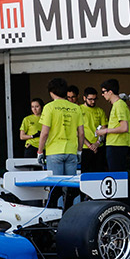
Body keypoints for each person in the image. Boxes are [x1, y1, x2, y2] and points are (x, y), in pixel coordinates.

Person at [36, 77, 83, 208]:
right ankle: (70, 214)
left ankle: (54, 216)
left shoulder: (49, 107)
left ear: (51, 91)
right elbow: (81, 133)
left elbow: (44, 133)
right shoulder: (76, 108)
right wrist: (79, 150)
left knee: (55, 187)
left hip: (54, 152)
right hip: (72, 151)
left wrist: (40, 151)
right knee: (70, 188)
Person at [98, 79, 130, 185]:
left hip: (117, 145)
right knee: (117, 177)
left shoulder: (119, 105)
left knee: (117, 177)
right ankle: (120, 200)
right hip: (115, 144)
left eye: (103, 91)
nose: (102, 94)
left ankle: (120, 201)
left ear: (110, 92)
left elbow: (124, 127)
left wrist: (105, 131)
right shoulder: (117, 105)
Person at [77, 87, 105, 173]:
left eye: (95, 99)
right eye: (90, 99)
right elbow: (76, 131)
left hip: (99, 147)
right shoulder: (78, 110)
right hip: (84, 147)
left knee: (99, 174)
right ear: (84, 98)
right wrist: (89, 145)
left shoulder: (100, 111)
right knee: (85, 174)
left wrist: (97, 143)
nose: (93, 101)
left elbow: (104, 128)